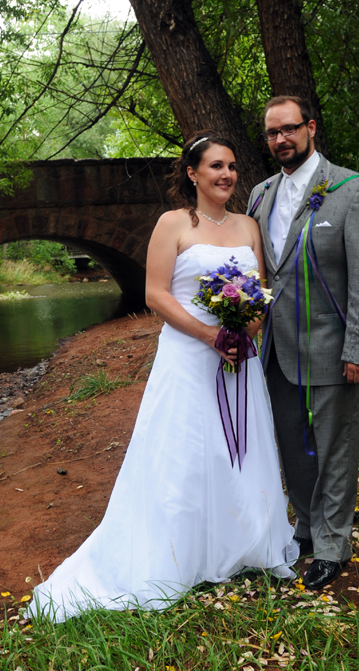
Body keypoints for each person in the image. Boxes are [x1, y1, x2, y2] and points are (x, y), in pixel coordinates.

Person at [32, 131, 298, 621]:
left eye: (233, 166)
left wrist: (246, 329)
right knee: (184, 447)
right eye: (216, 166)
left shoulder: (247, 226)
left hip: (239, 358)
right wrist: (210, 335)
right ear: (193, 173)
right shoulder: (172, 223)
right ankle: (177, 554)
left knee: (239, 444)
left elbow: (259, 289)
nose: (226, 175)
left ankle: (242, 543)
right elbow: (156, 295)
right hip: (188, 356)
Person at [248, 96, 359, 590]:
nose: (281, 139)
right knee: (290, 444)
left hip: (333, 344)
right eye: (272, 133)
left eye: (289, 129)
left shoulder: (354, 190)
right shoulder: (260, 194)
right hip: (275, 350)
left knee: (333, 446)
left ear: (310, 128)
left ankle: (333, 544)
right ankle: (306, 528)